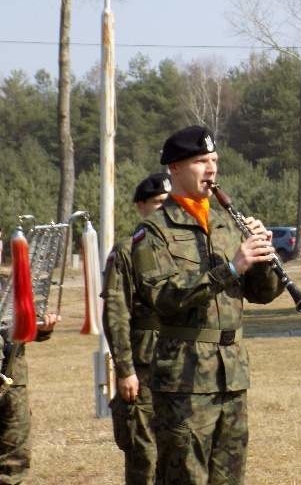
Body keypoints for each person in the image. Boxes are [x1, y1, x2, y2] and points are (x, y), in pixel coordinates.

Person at [130, 125, 285, 485]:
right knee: (186, 476)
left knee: (230, 477)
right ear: (175, 169)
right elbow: (163, 297)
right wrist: (230, 268)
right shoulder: (153, 231)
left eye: (214, 160)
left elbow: (262, 294)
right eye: (201, 161)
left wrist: (264, 258)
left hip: (231, 374)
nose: (211, 169)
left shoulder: (227, 225)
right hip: (184, 378)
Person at [101, 172, 171, 484]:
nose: (164, 210)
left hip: (181, 363)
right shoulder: (127, 251)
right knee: (145, 454)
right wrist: (124, 368)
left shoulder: (183, 248)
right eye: (158, 203)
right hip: (144, 365)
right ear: (140, 206)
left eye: (169, 203)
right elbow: (116, 312)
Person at [0, 312, 60, 483]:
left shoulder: (15, 285)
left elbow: (27, 317)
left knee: (14, 460)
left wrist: (42, 326)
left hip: (12, 381)